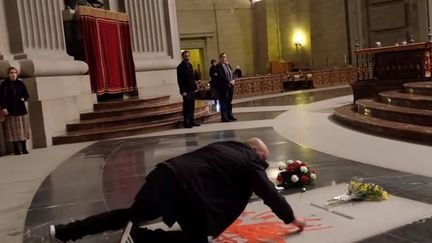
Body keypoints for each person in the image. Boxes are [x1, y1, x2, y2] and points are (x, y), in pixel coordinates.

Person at [49, 138, 305, 243]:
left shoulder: (226, 146)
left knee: (130, 214)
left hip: (165, 174)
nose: (263, 165)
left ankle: (65, 232)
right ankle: (141, 238)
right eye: (264, 160)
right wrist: (291, 218)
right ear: (257, 153)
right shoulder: (250, 160)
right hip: (185, 190)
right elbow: (268, 192)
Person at [0, 67, 30, 155]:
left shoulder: (20, 83)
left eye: (15, 73)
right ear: (8, 74)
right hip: (10, 111)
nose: (13, 74)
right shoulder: (4, 84)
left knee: (23, 129)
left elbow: (27, 95)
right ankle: (16, 149)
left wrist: (23, 98)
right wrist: (3, 107)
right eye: (11, 73)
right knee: (12, 131)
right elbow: (1, 97)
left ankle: (24, 148)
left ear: (17, 74)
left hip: (21, 110)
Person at [176, 50, 200, 128]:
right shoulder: (180, 67)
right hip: (185, 90)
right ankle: (186, 122)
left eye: (188, 56)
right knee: (186, 106)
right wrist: (182, 91)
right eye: (185, 56)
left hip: (192, 89)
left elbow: (192, 78)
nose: (187, 57)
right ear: (183, 57)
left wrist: (195, 87)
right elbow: (180, 80)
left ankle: (192, 121)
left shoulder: (190, 65)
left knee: (192, 105)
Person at [213, 52, 237, 122]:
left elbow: (232, 73)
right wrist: (229, 81)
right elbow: (221, 76)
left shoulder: (228, 65)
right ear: (220, 58)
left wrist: (233, 79)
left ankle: (230, 115)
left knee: (229, 101)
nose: (224, 59)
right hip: (223, 87)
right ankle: (224, 117)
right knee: (223, 102)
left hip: (230, 86)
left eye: (225, 57)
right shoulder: (218, 66)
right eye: (223, 57)